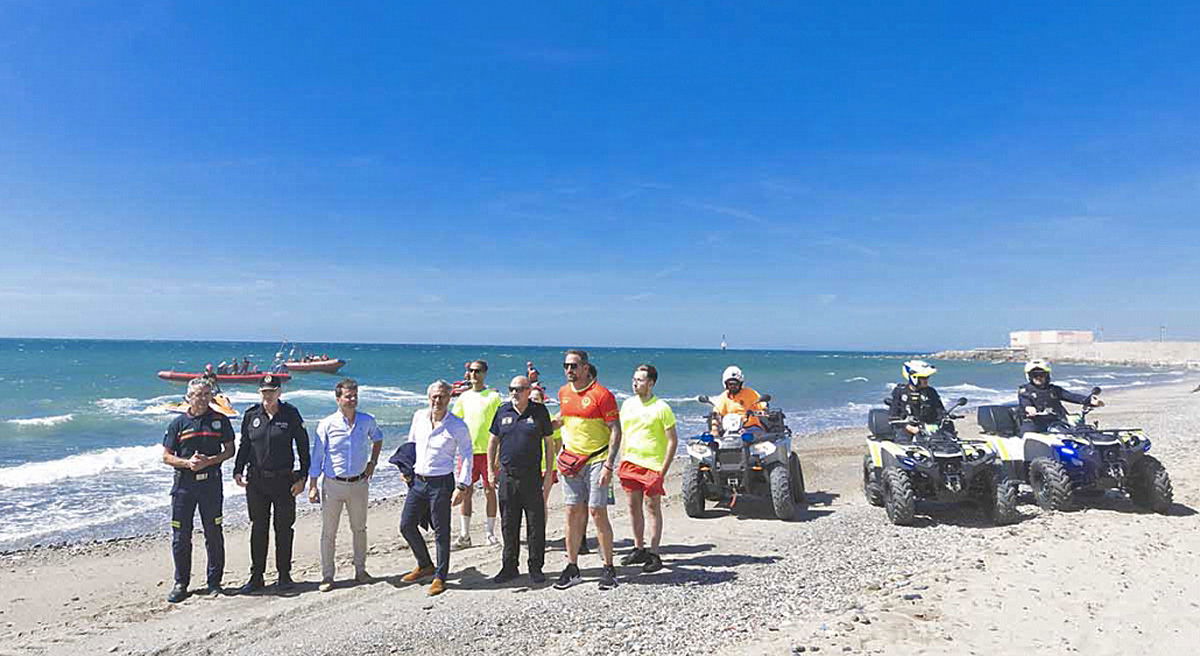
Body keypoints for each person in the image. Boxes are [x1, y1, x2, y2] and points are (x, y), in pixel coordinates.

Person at [233, 374, 310, 593]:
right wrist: (237, 470)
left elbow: (303, 447)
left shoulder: (291, 414)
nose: (268, 395)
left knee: (284, 529)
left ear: (279, 392)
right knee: (259, 528)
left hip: (284, 481)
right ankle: (256, 576)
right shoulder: (251, 415)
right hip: (256, 481)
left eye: (272, 391)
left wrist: (303, 477)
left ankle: (284, 576)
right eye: (265, 392)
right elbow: (245, 445)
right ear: (260, 393)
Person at [161, 377, 236, 603]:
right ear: (188, 398)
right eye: (197, 395)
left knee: (214, 533)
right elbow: (166, 456)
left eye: (206, 394)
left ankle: (214, 582)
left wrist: (210, 461)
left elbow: (230, 450)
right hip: (184, 486)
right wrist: (188, 463)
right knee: (180, 536)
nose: (202, 399)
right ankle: (181, 583)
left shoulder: (220, 420)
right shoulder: (178, 424)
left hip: (211, 485)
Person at [553, 349, 622, 591]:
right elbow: (564, 418)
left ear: (585, 368)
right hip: (571, 461)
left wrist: (609, 465)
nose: (569, 371)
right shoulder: (563, 393)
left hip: (597, 460)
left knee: (596, 511)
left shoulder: (602, 395)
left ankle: (608, 568)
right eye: (566, 366)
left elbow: (615, 429)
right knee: (572, 512)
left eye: (573, 366)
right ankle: (572, 567)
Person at [308, 378, 383, 591]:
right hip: (333, 485)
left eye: (355, 396)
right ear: (338, 398)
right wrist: (313, 486)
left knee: (359, 529)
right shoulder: (327, 424)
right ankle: (328, 576)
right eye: (348, 396)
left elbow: (378, 438)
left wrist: (373, 463)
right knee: (328, 532)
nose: (352, 400)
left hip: (359, 483)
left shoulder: (367, 420)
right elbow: (317, 457)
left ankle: (360, 570)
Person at [399, 380, 473, 596]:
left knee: (441, 532)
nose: (437, 401)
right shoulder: (419, 417)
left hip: (442, 483)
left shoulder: (457, 425)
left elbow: (466, 454)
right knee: (406, 525)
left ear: (449, 398)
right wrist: (405, 469)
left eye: (442, 396)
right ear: (428, 397)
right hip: (418, 481)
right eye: (434, 396)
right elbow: (410, 444)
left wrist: (462, 485)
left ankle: (440, 576)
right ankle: (424, 564)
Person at [487, 376, 554, 584]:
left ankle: (536, 567)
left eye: (519, 389)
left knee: (535, 524)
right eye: (511, 389)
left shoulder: (539, 411)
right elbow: (493, 441)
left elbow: (549, 444)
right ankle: (509, 566)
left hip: (532, 477)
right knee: (508, 523)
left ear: (528, 391)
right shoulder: (502, 411)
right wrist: (491, 469)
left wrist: (549, 473)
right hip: (507, 477)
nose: (514, 393)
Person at [617, 364, 678, 574]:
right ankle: (638, 547)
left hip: (652, 465)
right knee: (633, 506)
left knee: (652, 507)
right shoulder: (627, 405)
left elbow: (672, 441)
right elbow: (624, 433)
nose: (635, 383)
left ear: (651, 383)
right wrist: (622, 457)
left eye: (640, 380)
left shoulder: (662, 407)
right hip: (630, 463)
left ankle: (654, 553)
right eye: (634, 379)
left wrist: (663, 469)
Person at [450, 360, 503, 548]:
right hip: (467, 454)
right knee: (466, 492)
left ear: (485, 373)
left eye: (478, 371)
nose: (474, 374)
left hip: (488, 453)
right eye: (471, 371)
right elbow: (455, 422)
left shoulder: (494, 397)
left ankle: (490, 533)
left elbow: (501, 426)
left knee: (490, 490)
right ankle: (465, 535)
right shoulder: (463, 397)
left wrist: (497, 456)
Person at [1018, 360, 1104, 433]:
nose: (1038, 378)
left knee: (1079, 434)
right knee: (1030, 438)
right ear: (1029, 376)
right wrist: (1029, 409)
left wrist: (1089, 400)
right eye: (1034, 375)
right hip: (1034, 423)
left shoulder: (1054, 389)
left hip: (1055, 421)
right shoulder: (1025, 390)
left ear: (1047, 375)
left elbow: (1071, 396)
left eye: (1042, 374)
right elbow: (1025, 402)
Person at [888, 360, 946, 438]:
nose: (926, 380)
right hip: (906, 428)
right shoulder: (900, 392)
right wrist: (908, 427)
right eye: (923, 378)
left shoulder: (931, 392)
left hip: (927, 428)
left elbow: (940, 410)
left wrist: (942, 419)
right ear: (913, 378)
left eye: (927, 377)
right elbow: (893, 416)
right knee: (904, 440)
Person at [709, 366, 766, 434]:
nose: (733, 386)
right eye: (730, 384)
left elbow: (764, 410)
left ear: (740, 384)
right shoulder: (723, 397)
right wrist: (714, 429)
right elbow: (716, 413)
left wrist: (753, 413)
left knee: (750, 435)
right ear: (726, 384)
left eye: (736, 384)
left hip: (751, 427)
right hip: (730, 429)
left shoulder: (751, 393)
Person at [530, 387, 561, 504]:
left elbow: (557, 443)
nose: (533, 401)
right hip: (530, 467)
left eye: (536, 399)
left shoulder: (551, 419)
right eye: (531, 398)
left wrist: (555, 463)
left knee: (542, 501)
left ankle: (541, 522)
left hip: (547, 467)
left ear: (542, 401)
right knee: (531, 501)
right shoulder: (524, 419)